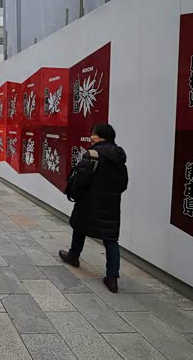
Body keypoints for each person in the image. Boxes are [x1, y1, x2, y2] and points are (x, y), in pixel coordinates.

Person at [59, 123, 128, 293]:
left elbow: (81, 182)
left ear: (102, 136)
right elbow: (123, 184)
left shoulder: (93, 154)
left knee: (79, 227)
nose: (91, 137)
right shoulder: (119, 157)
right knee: (111, 239)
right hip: (111, 204)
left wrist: (75, 194)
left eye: (94, 134)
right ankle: (112, 278)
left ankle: (73, 256)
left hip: (88, 201)